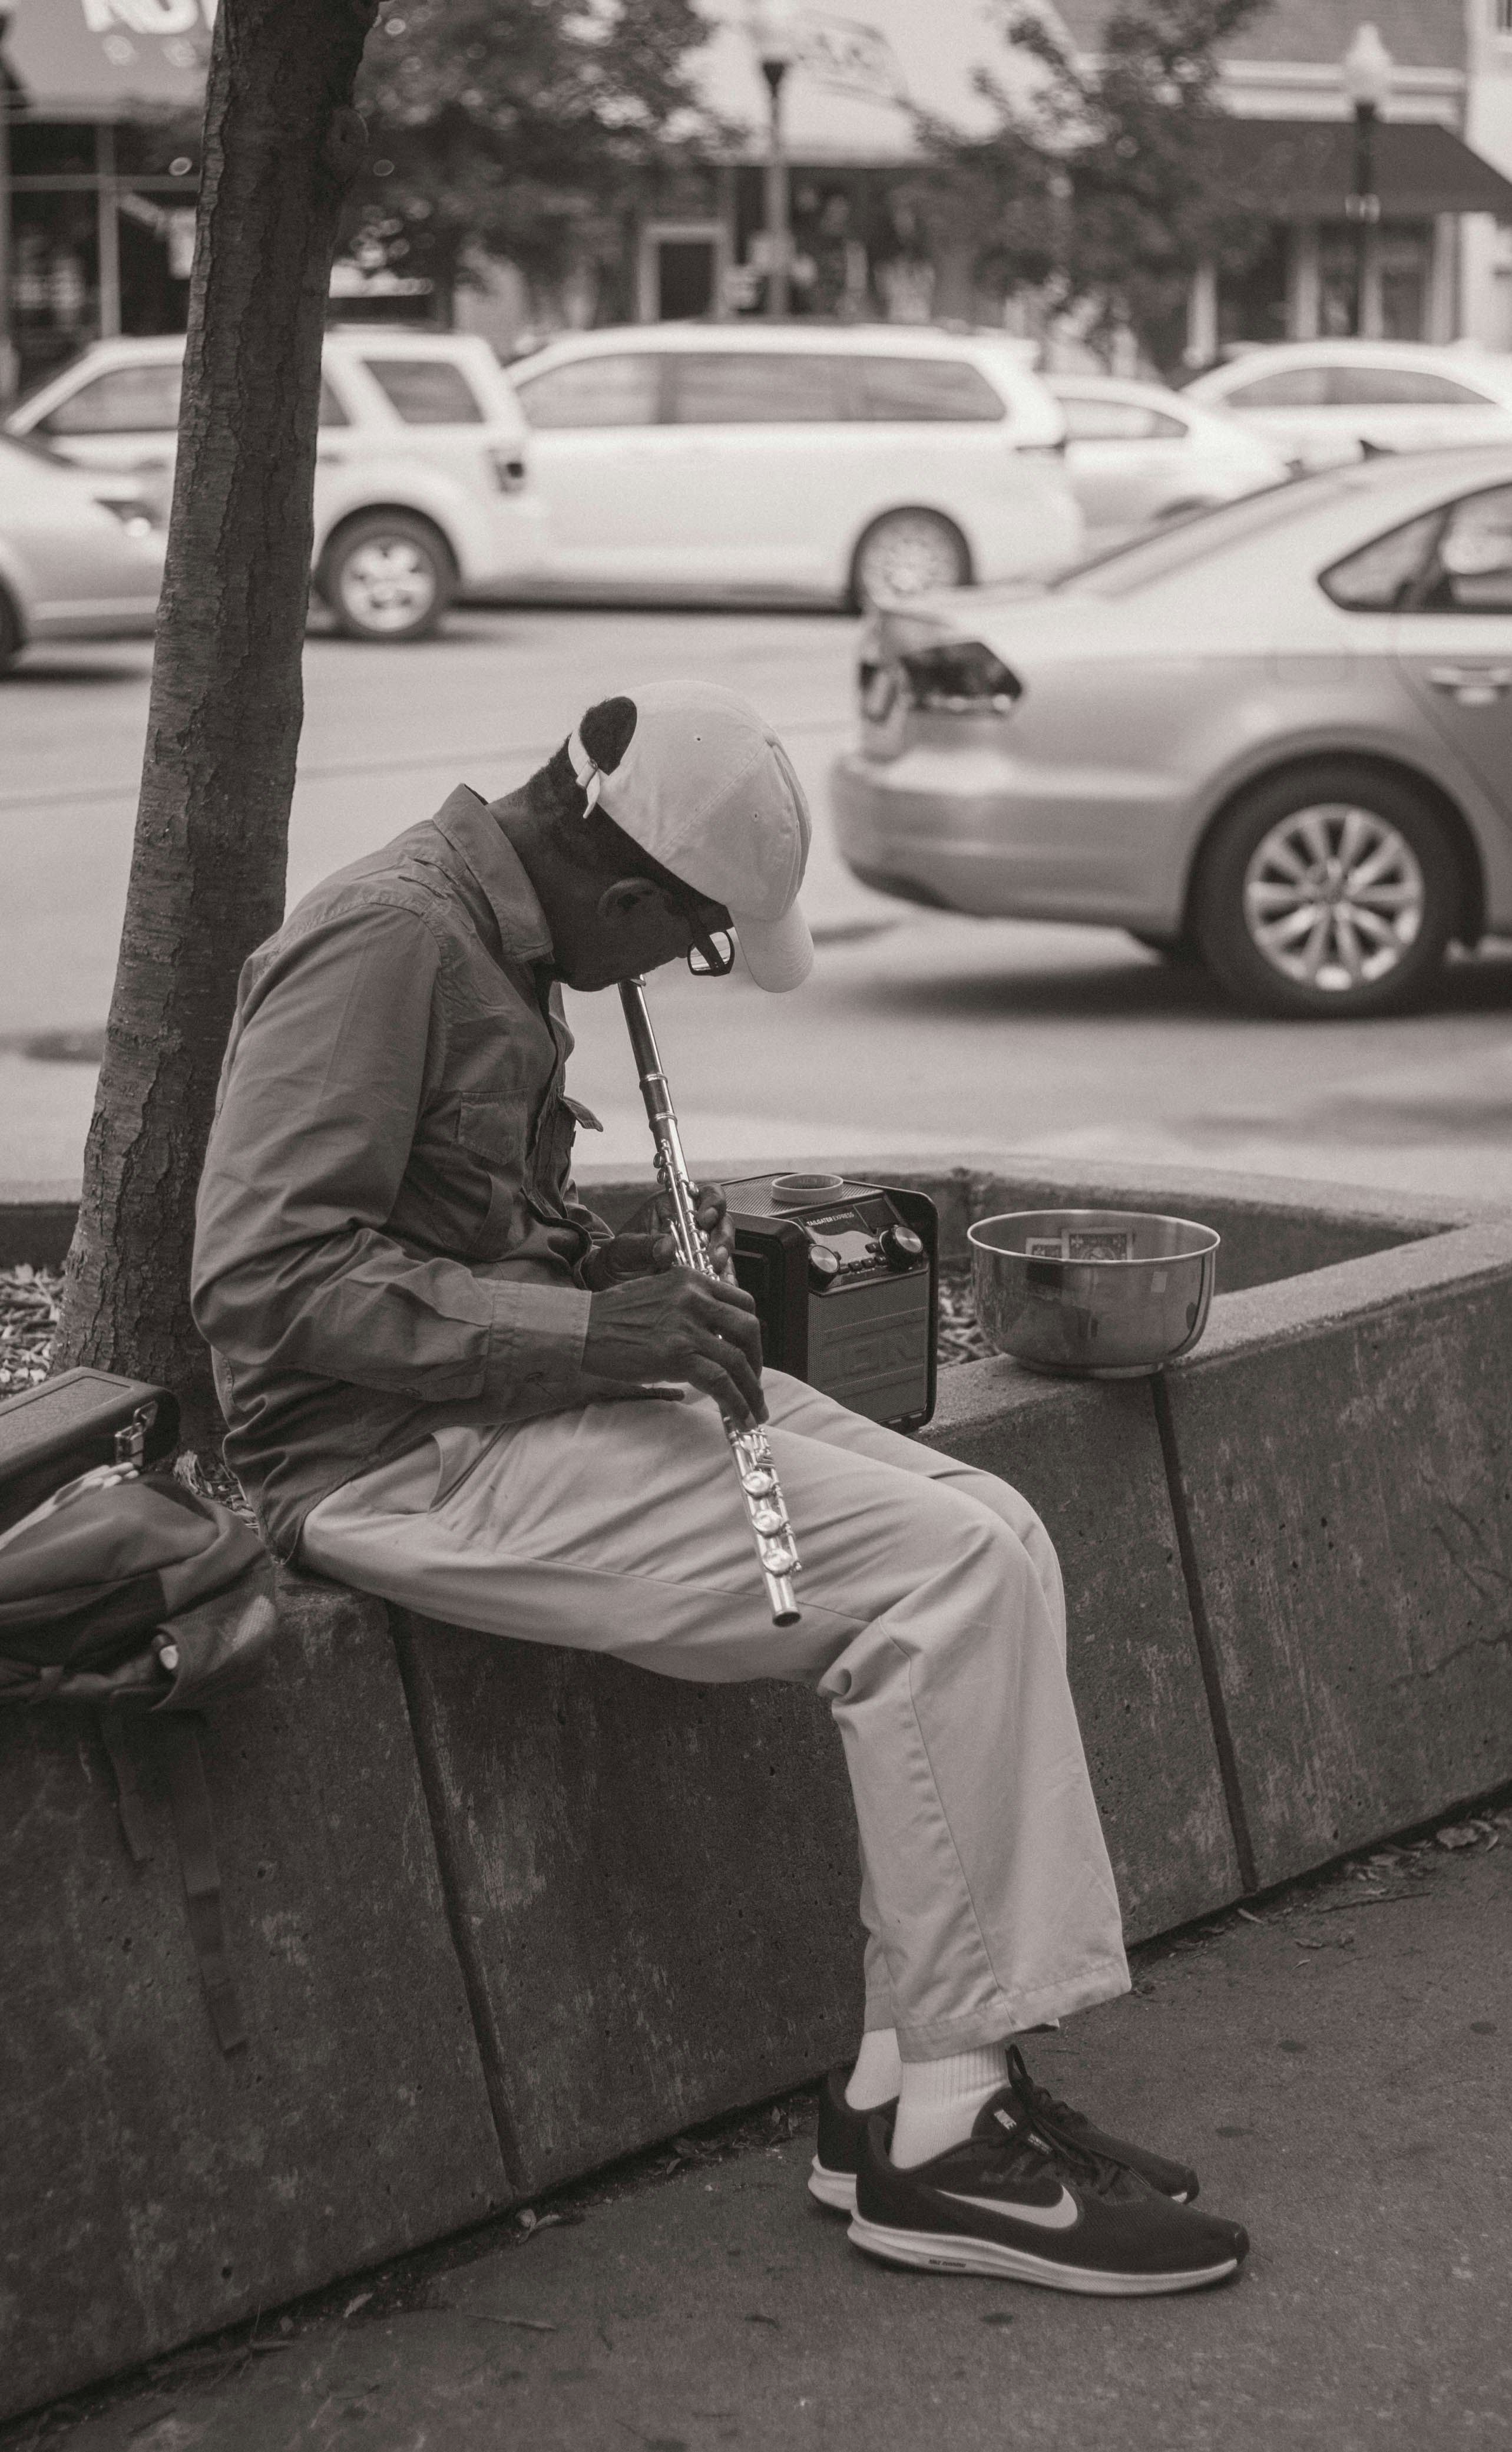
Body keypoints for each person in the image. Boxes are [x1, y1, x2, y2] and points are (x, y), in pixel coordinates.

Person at [191, 680, 1249, 2296]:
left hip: (506, 1410)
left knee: (1000, 1534)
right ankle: (947, 2153)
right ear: (625, 890)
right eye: (689, 944)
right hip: (393, 1465)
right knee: (939, 1579)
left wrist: (593, 1263)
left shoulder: (504, 939)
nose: (674, 977)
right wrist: (585, 1325)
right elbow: (264, 1283)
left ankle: (908, 2085)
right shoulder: (389, 942)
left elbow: (430, 1221)